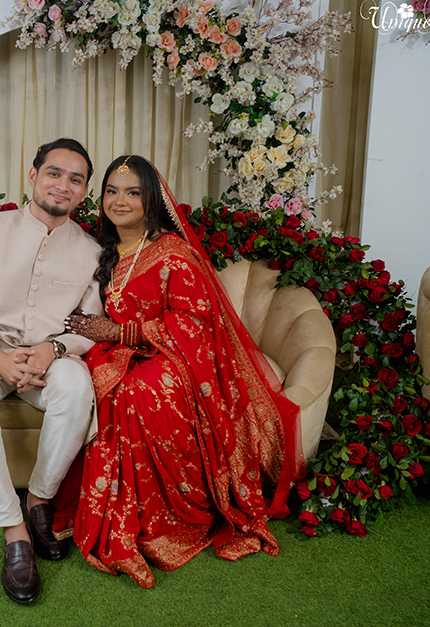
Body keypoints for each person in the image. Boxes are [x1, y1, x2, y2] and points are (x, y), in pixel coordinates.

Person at [58, 154, 305, 589]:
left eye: (132, 192)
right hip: (118, 351)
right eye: (111, 191)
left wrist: (122, 332)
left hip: (175, 356)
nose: (119, 201)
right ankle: (119, 511)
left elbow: (194, 323)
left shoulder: (172, 252)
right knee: (99, 383)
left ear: (151, 200)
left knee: (139, 391)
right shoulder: (100, 250)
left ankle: (168, 519)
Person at [0, 138, 103, 605]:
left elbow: (88, 326)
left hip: (48, 359)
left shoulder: (91, 251)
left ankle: (39, 500)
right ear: (33, 176)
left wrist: (52, 349)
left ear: (84, 192)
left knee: (78, 385)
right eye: (54, 173)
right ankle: (15, 530)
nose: (63, 185)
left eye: (75, 179)